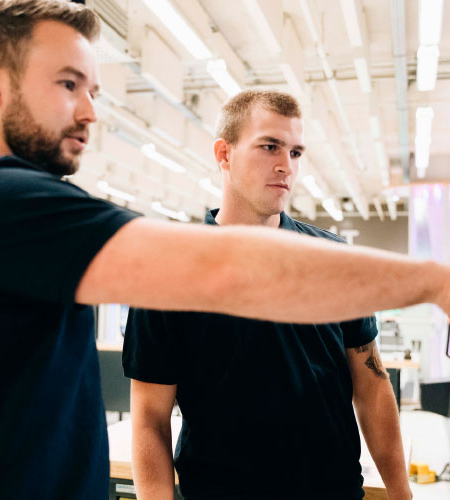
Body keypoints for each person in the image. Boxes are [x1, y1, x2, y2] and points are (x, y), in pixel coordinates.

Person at [0, 1, 450, 499]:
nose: (90, 112)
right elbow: (227, 269)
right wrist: (438, 279)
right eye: (67, 85)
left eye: (95, 90)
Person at [123, 89, 410, 500]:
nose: (285, 166)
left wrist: (402, 494)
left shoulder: (333, 260)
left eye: (295, 152)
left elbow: (372, 384)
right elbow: (150, 418)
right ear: (224, 154)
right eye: (269, 146)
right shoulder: (167, 273)